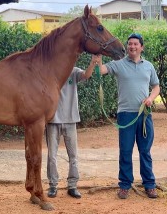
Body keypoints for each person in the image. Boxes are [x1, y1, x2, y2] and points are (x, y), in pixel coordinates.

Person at [99, 33, 160, 199]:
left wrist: (150, 98)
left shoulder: (148, 66)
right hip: (125, 114)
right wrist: (97, 58)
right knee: (125, 151)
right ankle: (125, 185)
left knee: (145, 151)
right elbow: (101, 70)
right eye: (130, 44)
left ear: (141, 47)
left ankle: (150, 184)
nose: (132, 46)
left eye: (135, 44)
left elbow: (156, 87)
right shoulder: (119, 64)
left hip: (144, 114)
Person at [46, 55, 100, 199]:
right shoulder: (50, 72)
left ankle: (73, 186)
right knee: (52, 155)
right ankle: (52, 185)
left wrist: (93, 63)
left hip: (70, 119)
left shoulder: (73, 71)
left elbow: (87, 75)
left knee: (73, 156)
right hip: (53, 120)